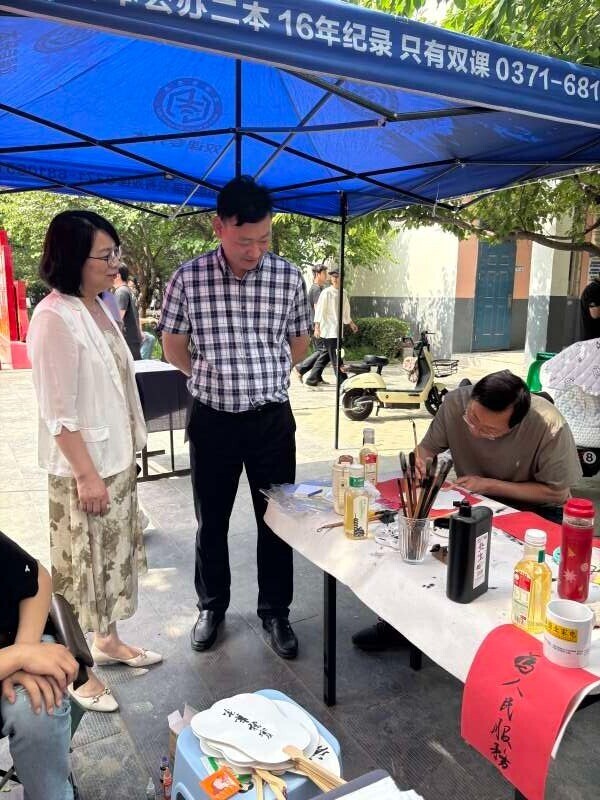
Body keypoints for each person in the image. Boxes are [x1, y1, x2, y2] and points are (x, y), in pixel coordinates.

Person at [158, 176, 312, 659]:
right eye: (245, 240)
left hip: (271, 421)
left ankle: (276, 612)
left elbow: (300, 341)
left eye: (264, 239)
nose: (255, 251)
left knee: (278, 519)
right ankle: (212, 607)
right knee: (211, 520)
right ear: (218, 227)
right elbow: (173, 346)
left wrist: (263, 376)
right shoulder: (188, 278)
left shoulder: (288, 277)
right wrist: (213, 377)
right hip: (213, 420)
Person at [27, 210, 162, 713]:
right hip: (85, 471)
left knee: (110, 563)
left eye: (115, 253)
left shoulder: (97, 305)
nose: (115, 264)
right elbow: (58, 414)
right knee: (79, 571)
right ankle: (76, 668)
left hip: (114, 461)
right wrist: (86, 475)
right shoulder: (53, 317)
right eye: (104, 256)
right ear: (71, 259)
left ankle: (106, 640)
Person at [353, 370, 582, 651]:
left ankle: (509, 641)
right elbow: (425, 450)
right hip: (473, 501)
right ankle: (399, 625)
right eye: (472, 419)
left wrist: (488, 484)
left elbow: (556, 493)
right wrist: (420, 463)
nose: (475, 431)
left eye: (489, 431)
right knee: (421, 550)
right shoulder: (454, 403)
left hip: (534, 509)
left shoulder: (548, 425)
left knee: (519, 575)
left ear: (516, 425)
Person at [0, 529, 79, 800]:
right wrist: (18, 657)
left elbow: (37, 577)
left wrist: (24, 649)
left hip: (12, 640)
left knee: (37, 706)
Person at [304, 268, 358, 387]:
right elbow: (319, 310)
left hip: (338, 330)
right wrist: (317, 327)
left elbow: (346, 311)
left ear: (341, 278)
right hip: (328, 330)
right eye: (333, 277)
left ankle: (312, 378)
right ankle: (343, 381)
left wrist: (351, 323)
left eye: (337, 277)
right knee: (336, 356)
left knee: (326, 355)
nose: (334, 279)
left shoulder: (343, 293)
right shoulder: (326, 292)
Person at [294, 265, 329, 383]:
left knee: (321, 351)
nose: (326, 276)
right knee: (323, 350)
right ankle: (300, 368)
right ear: (318, 274)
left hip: (316, 325)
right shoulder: (316, 289)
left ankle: (316, 376)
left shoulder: (319, 288)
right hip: (317, 325)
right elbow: (318, 308)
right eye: (324, 273)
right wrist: (319, 326)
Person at [113, 265, 143, 360]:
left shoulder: (121, 292)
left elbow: (117, 319)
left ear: (118, 275)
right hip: (132, 339)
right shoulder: (127, 290)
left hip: (127, 341)